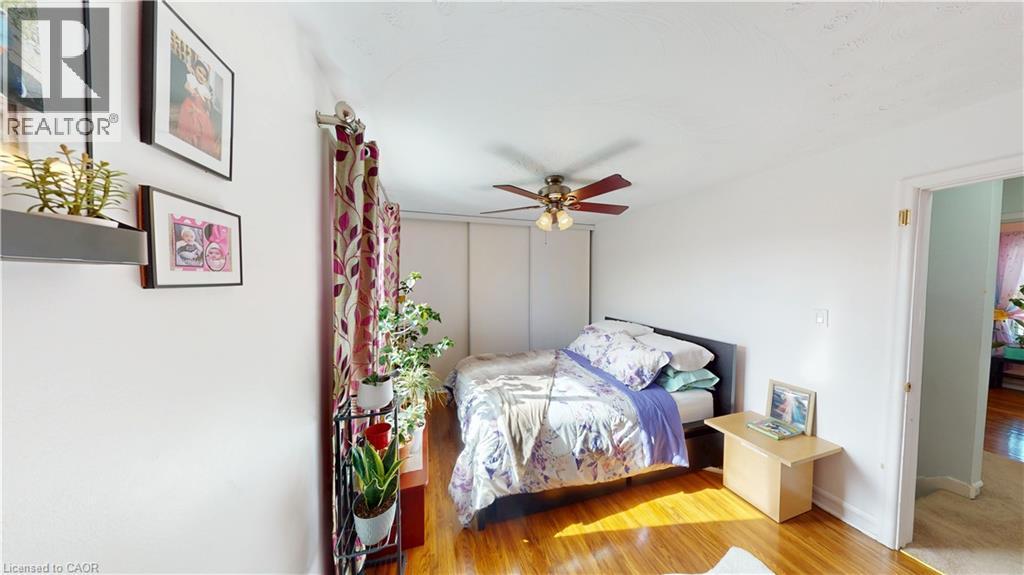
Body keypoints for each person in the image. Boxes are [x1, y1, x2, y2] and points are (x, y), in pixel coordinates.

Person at [173, 65, 220, 158]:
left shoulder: (205, 89)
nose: (201, 76)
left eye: (204, 75)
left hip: (201, 109)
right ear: (195, 69)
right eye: (200, 71)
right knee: (194, 118)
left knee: (206, 122)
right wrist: (194, 91)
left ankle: (201, 146)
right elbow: (187, 86)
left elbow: (208, 108)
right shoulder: (192, 79)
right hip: (191, 104)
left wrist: (207, 102)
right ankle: (191, 141)